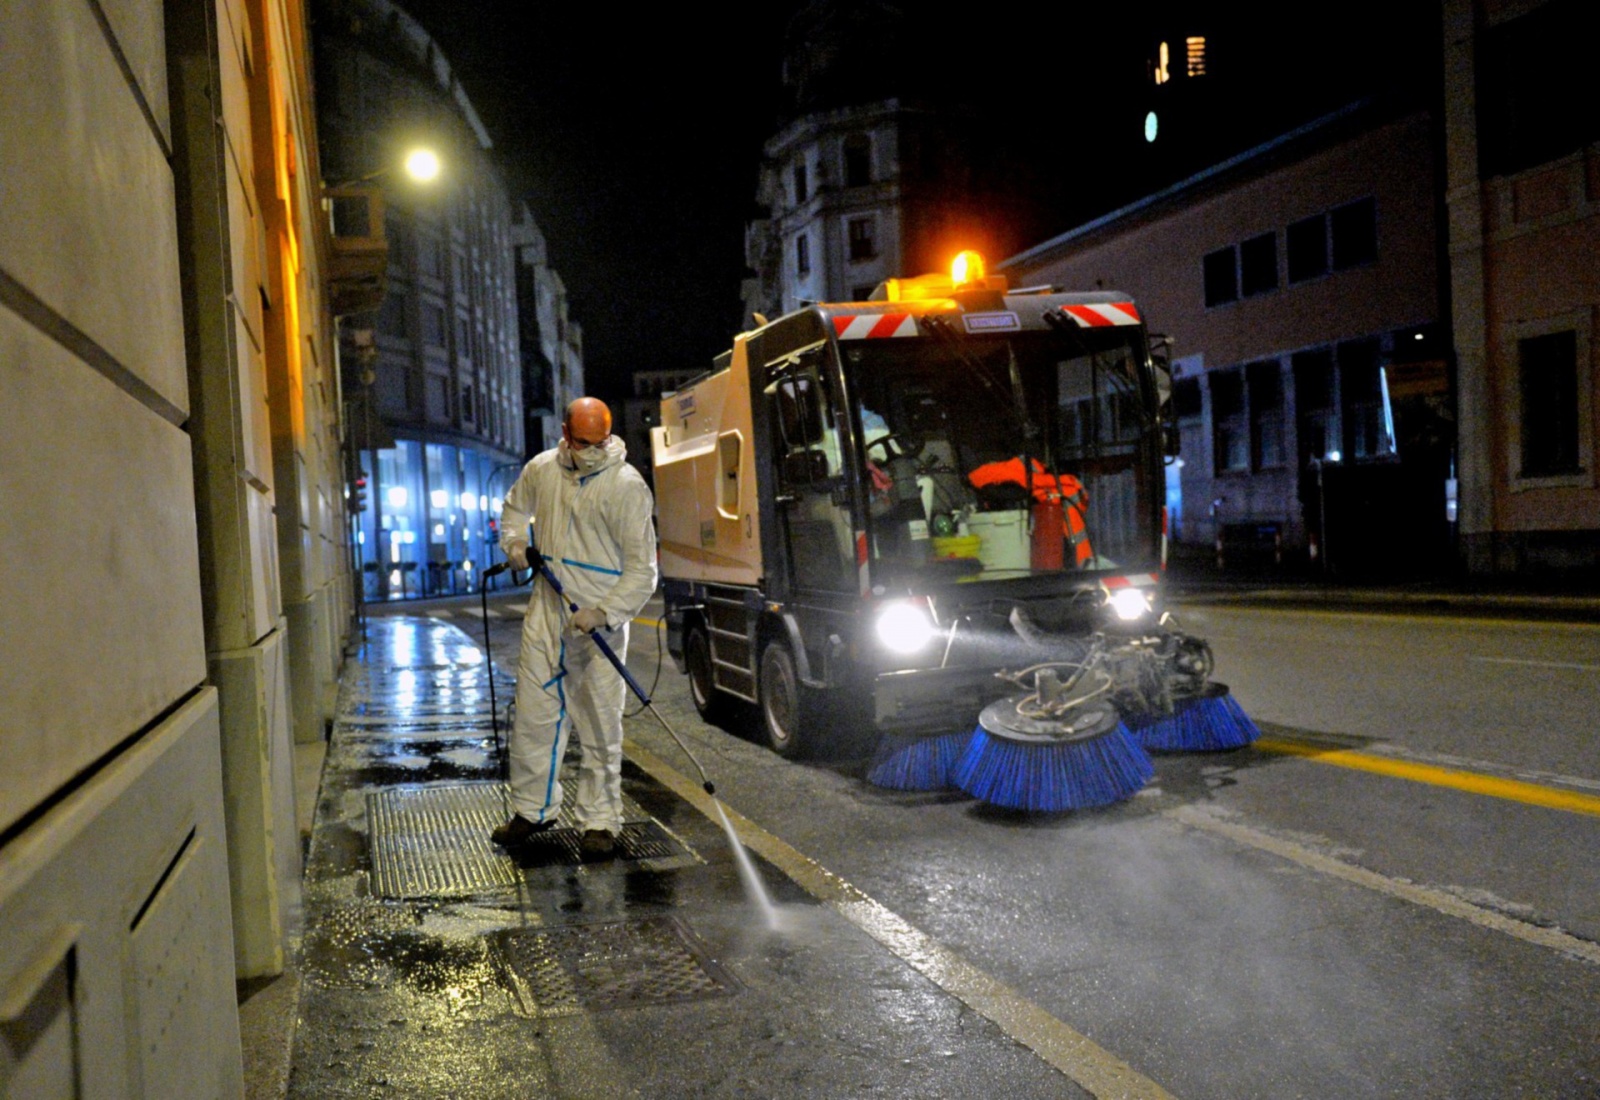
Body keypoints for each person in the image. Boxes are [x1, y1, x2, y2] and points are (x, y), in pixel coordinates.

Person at [491, 397, 658, 861]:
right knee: (534, 717)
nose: (590, 450)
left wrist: (604, 612)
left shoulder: (626, 487)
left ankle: (600, 821)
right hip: (547, 613)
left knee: (600, 724)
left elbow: (643, 572)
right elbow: (512, 510)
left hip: (595, 627)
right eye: (582, 441)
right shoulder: (543, 469)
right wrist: (517, 542)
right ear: (565, 432)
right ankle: (533, 810)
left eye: (599, 441)